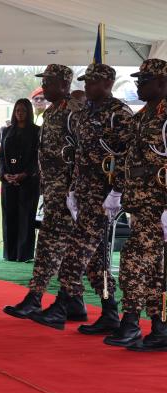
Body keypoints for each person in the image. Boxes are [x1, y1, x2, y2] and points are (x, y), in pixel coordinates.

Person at [31, 64, 132, 332]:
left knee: (74, 255)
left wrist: (118, 192)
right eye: (86, 82)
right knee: (98, 262)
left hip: (104, 197)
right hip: (85, 195)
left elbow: (127, 157)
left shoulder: (119, 114)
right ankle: (110, 311)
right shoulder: (85, 113)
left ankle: (62, 306)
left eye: (94, 82)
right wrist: (74, 189)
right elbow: (78, 154)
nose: (87, 86)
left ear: (108, 83)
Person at [4, 64, 86, 321]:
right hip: (52, 191)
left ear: (64, 84)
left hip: (69, 195)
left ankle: (42, 298)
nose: (45, 87)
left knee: (58, 246)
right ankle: (66, 301)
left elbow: (85, 152)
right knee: (56, 246)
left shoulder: (74, 112)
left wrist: (75, 190)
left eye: (49, 82)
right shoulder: (51, 113)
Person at [103, 59, 167, 350]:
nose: (139, 84)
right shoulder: (142, 117)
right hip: (140, 207)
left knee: (133, 263)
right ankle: (159, 327)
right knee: (154, 272)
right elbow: (130, 161)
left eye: (145, 80)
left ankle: (130, 323)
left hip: (159, 208)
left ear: (163, 83)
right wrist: (116, 193)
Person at [0, 99, 40, 262]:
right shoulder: (7, 131)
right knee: (9, 216)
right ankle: (10, 253)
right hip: (8, 181)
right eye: (17, 110)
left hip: (28, 181)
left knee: (26, 217)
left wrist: (25, 174)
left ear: (28, 112)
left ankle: (24, 254)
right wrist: (5, 174)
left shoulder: (37, 131)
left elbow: (38, 157)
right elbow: (1, 156)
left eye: (22, 110)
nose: (19, 113)